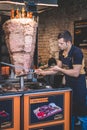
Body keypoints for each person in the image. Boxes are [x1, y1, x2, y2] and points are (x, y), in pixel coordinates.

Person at [35, 30, 87, 126]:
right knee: (69, 113)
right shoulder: (61, 53)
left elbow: (75, 73)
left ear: (68, 42)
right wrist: (43, 72)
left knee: (82, 115)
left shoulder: (77, 52)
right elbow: (57, 69)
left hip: (79, 86)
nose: (59, 45)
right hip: (68, 86)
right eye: (58, 43)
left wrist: (60, 69)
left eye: (61, 43)